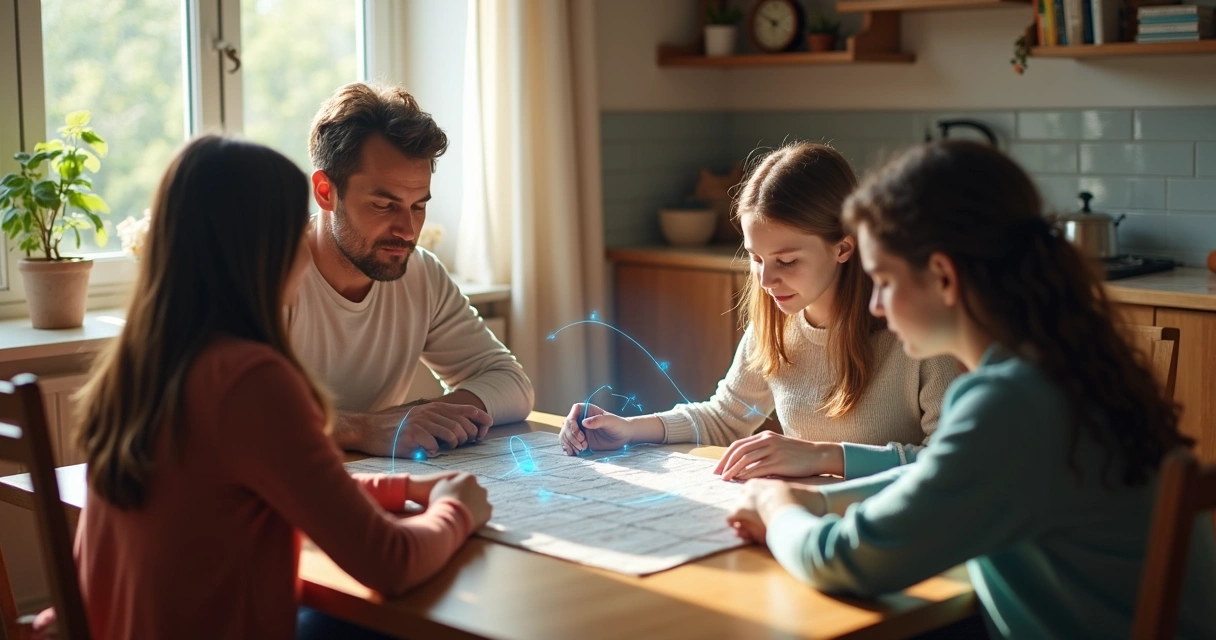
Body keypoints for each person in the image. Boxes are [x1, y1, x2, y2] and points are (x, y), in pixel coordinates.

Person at [728, 140, 1216, 639]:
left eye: (885, 281)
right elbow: (944, 480)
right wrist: (823, 502)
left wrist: (778, 511)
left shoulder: (1009, 405)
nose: (875, 305)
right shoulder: (1058, 369)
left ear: (943, 276)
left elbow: (847, 562)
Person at [63, 136, 492, 639]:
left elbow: (278, 480)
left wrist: (401, 487)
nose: (307, 255)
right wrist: (457, 509)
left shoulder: (146, 363)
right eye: (295, 233)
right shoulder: (250, 381)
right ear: (262, 247)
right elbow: (391, 564)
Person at [560, 142, 956, 482]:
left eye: (786, 261)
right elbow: (725, 418)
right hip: (808, 516)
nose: (766, 281)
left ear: (843, 248)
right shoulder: (777, 323)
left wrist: (823, 455)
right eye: (755, 258)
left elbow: (954, 464)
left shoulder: (916, 333)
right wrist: (628, 429)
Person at [292, 82, 534, 458]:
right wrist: (366, 427)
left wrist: (421, 418)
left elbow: (512, 384)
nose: (407, 231)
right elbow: (221, 416)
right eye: (384, 205)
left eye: (418, 206)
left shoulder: (420, 274)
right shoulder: (269, 276)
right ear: (325, 192)